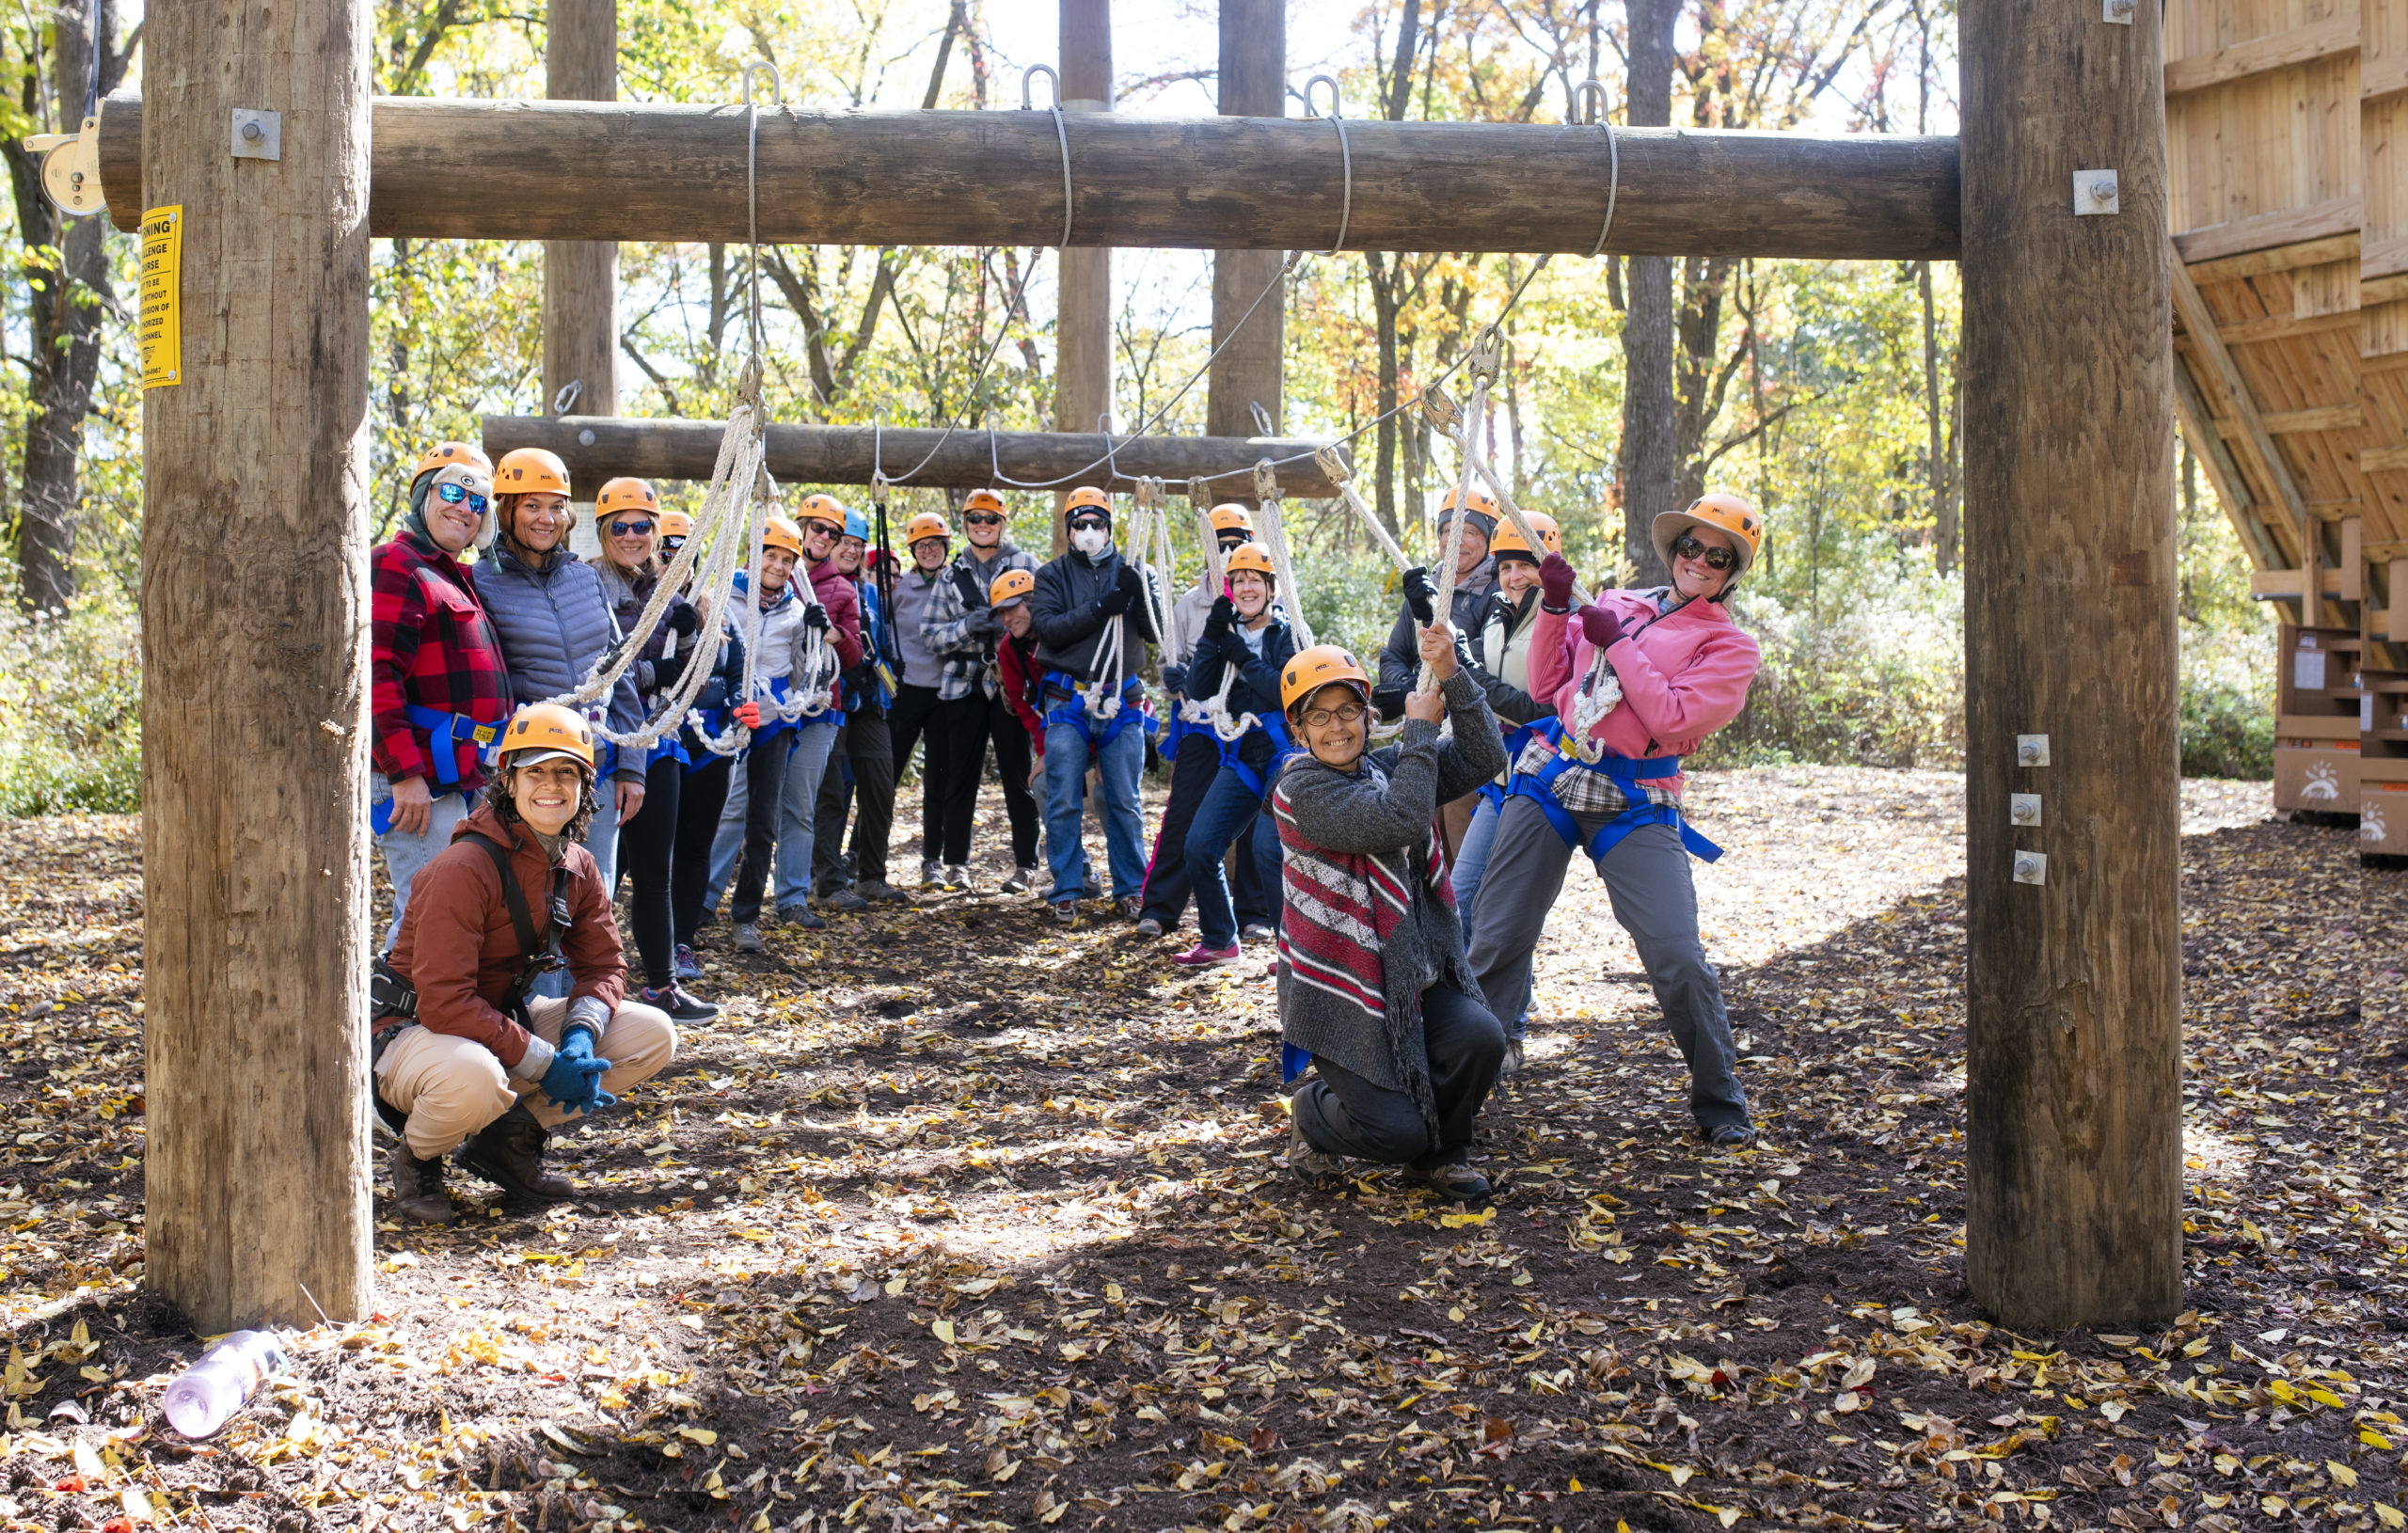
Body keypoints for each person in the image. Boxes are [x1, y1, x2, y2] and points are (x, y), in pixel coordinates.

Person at [1464, 493, 1766, 1146]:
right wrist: (1552, 606)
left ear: (1731, 572)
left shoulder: (1731, 647)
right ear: (1675, 547)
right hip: (1554, 774)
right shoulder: (1618, 601)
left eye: (1719, 557)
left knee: (1676, 955)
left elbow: (1674, 719)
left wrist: (1618, 644)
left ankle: (1721, 1100)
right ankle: (1452, 1097)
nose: (1701, 562)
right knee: (1495, 939)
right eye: (1693, 546)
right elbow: (1547, 684)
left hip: (1636, 800)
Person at [374, 703, 680, 1224]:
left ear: (586, 786)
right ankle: (419, 1159)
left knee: (653, 1032)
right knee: (475, 1076)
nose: (551, 785)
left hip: (494, 1024)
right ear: (508, 781)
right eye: (534, 770)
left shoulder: (577, 864)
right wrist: (544, 1061)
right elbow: (445, 1003)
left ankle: (506, 1144)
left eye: (566, 772)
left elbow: (605, 966)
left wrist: (580, 1038)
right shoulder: (463, 867)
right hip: (413, 1033)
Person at [1271, 634, 1507, 1203]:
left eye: (1348, 710)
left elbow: (1485, 756)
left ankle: (1442, 1157)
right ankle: (1314, 1112)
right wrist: (1421, 730)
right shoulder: (1301, 790)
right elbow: (1400, 818)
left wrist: (1451, 674)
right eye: (1319, 717)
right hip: (1339, 993)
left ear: (1368, 715)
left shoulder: (1382, 769)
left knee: (1481, 1038)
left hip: (1405, 977)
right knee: (1395, 1131)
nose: (1337, 727)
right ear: (1299, 731)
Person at [473, 448, 646, 893]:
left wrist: (632, 765)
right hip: (527, 768)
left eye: (556, 506)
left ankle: (585, 969)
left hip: (597, 759)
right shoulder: (480, 581)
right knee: (528, 893)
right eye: (532, 505)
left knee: (595, 891)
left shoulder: (585, 578)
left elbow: (618, 671)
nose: (546, 518)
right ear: (506, 511)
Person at [587, 477, 719, 1025]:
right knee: (595, 874)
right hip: (602, 740)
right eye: (620, 526)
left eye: (644, 526)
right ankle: (589, 983)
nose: (633, 535)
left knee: (653, 871)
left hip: (655, 743)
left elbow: (687, 676)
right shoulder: (585, 584)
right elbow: (599, 665)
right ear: (602, 532)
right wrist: (652, 672)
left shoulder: (667, 595)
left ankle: (661, 984)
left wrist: (688, 636)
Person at [370, 441, 512, 946]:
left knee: (454, 908)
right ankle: (391, 1024)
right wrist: (403, 774)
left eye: (479, 503)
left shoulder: (458, 577)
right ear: (424, 496)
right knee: (425, 910)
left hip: (459, 772)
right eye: (453, 491)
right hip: (417, 778)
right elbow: (376, 674)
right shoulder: (396, 564)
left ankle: (438, 1019)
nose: (465, 508)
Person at [703, 512, 855, 950]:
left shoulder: (795, 608)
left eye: (787, 560)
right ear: (754, 556)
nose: (779, 567)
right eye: (771, 556)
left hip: (773, 723)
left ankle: (745, 916)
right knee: (726, 813)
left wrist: (816, 635)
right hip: (731, 719)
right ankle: (703, 902)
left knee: (763, 821)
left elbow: (810, 673)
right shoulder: (722, 599)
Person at [1135, 503, 1276, 941]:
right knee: (1183, 817)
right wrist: (1176, 678)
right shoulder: (1189, 605)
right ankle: (1161, 908)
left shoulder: (1272, 606)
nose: (1229, 553)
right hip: (1200, 726)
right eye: (1221, 546)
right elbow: (1168, 661)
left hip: (1250, 730)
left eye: (1238, 544)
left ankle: (1254, 912)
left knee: (1253, 822)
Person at [1027, 486, 1166, 924]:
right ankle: (1066, 888)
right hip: (1068, 699)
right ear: (1069, 531)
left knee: (1124, 798)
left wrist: (1138, 593)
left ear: (1109, 528)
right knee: (1063, 797)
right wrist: (1102, 606)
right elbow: (1049, 629)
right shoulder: (1051, 575)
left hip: (1121, 698)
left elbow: (1156, 630)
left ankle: (1130, 888)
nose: (1089, 532)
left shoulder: (1134, 570)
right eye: (1080, 525)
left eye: (1097, 524)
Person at [1169, 542, 1300, 968]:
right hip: (1242, 758)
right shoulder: (1224, 635)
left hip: (1284, 755)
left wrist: (1241, 654)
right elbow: (1201, 687)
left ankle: (1293, 950)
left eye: (1254, 581)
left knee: (1268, 847)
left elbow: (1285, 690)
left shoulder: (1289, 632)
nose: (1246, 588)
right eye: (1238, 580)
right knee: (1200, 845)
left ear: (1269, 588)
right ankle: (1220, 938)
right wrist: (1212, 635)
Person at [923, 488, 1044, 893]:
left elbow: (1048, 614)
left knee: (1019, 773)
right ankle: (956, 862)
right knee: (960, 776)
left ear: (1002, 523)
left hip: (1013, 685)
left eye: (990, 519)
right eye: (974, 518)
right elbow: (929, 635)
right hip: (964, 683)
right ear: (965, 524)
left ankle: (1027, 864)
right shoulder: (951, 571)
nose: (982, 525)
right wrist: (965, 628)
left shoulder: (1027, 564)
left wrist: (1014, 626)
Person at [1376, 487, 1502, 866]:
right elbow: (1393, 653)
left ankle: (1473, 921)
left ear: (1488, 540)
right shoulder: (1423, 589)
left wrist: (1436, 687)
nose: (1454, 540)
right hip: (1424, 729)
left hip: (1468, 733)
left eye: (1468, 532)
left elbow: (1476, 664)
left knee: (1461, 836)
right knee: (1425, 837)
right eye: (1448, 530)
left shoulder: (1498, 592)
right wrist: (1409, 689)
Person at [1450, 514, 1561, 940]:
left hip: (1540, 781)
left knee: (1502, 905)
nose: (1514, 577)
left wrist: (1474, 675)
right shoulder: (1497, 618)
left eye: (1525, 565)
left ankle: (1509, 1005)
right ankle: (1495, 1001)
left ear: (1547, 567)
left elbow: (1543, 711)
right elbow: (1465, 667)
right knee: (1465, 897)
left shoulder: (1562, 623)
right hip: (1499, 778)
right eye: (1506, 567)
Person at [764, 495, 865, 924]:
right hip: (770, 703)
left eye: (834, 533)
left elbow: (857, 652)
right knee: (745, 804)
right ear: (802, 528)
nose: (825, 538)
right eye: (818, 529)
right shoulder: (773, 574)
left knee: (799, 806)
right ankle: (712, 899)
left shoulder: (841, 588)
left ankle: (791, 898)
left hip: (819, 706)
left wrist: (833, 633)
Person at [660, 509, 746, 985]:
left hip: (711, 746)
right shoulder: (642, 608)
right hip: (660, 742)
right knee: (643, 851)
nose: (676, 558)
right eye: (668, 548)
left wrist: (739, 705)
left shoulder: (722, 615)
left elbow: (738, 672)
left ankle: (682, 942)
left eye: (685, 550)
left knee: (695, 848)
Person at [814, 507, 905, 912]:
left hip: (869, 701)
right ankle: (829, 880)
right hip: (833, 700)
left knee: (880, 787)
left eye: (857, 545)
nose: (850, 550)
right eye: (844, 542)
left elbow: (882, 643)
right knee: (832, 793)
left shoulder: (870, 594)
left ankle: (871, 875)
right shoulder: (815, 587)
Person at [884, 510, 959, 888]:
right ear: (913, 549)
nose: (929, 550)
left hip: (947, 692)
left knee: (939, 780)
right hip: (907, 689)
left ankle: (933, 858)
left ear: (947, 546)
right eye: (922, 545)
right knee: (887, 773)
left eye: (936, 544)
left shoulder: (956, 583)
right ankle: (864, 851)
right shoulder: (899, 588)